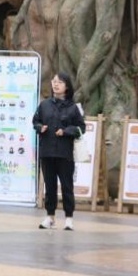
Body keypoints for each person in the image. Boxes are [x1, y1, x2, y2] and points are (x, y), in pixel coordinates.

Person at [33, 72, 85, 230]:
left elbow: (81, 128)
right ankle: (50, 217)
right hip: (47, 151)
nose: (56, 84)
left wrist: (66, 131)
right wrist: (40, 127)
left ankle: (69, 218)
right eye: (54, 81)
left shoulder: (73, 108)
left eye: (60, 82)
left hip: (64, 153)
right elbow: (35, 121)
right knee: (49, 186)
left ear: (67, 86)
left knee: (67, 186)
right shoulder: (44, 105)